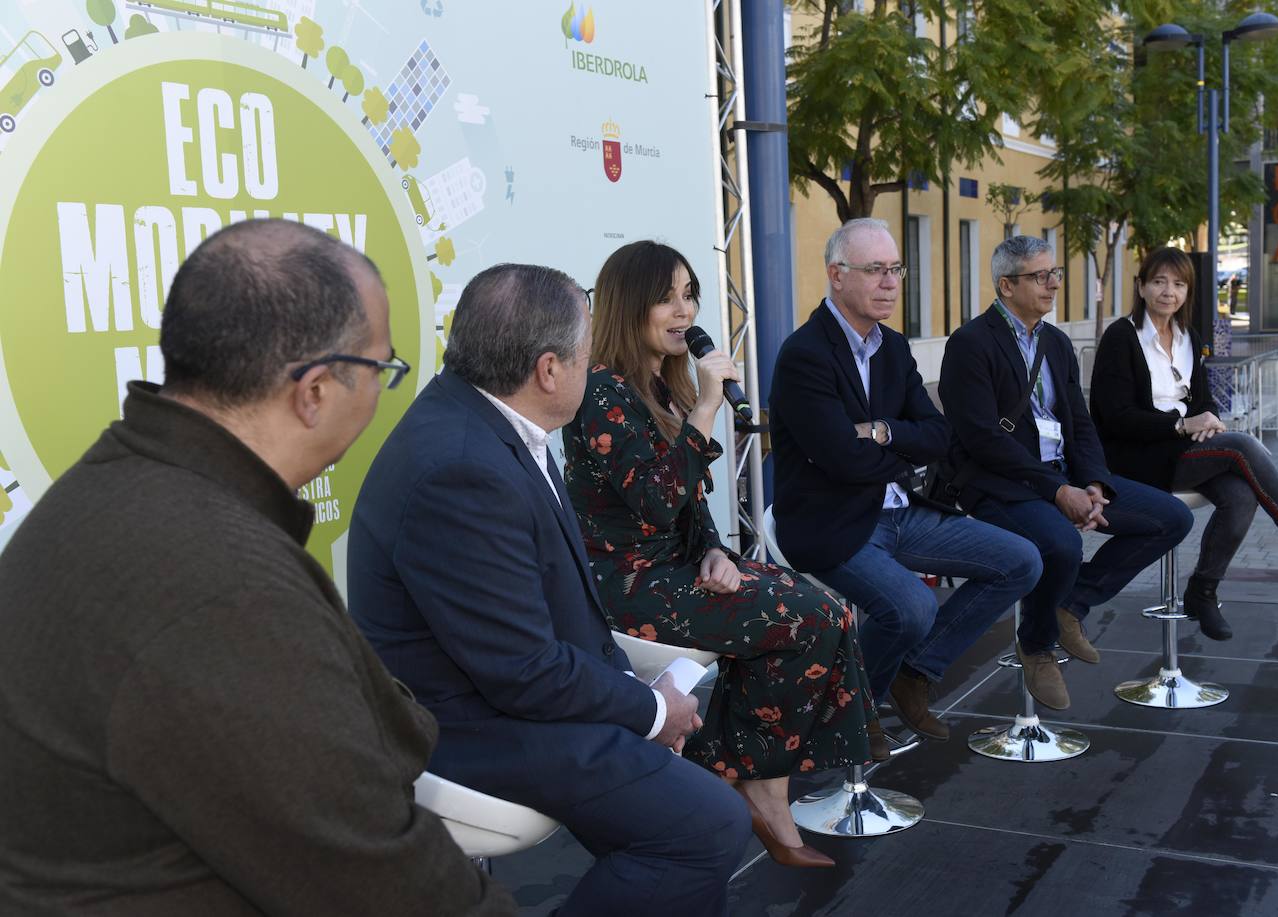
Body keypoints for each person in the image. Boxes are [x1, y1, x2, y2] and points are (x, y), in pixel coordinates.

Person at [0, 220, 514, 916]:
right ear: (316, 391)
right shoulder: (219, 585)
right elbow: (388, 884)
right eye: (382, 370)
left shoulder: (125, 483)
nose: (379, 397)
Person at [348, 262, 750, 916]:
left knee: (693, 806)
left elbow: (550, 620)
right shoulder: (460, 466)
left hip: (508, 698)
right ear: (548, 370)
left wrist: (640, 697)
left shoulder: (490, 423)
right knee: (707, 827)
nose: (592, 370)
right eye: (588, 356)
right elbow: (523, 670)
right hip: (467, 725)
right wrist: (650, 712)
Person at [562, 239, 873, 870]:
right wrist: (706, 405)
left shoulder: (658, 383)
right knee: (802, 619)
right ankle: (751, 783)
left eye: (690, 294)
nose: (685, 311)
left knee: (831, 609)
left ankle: (745, 776)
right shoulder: (599, 390)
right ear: (630, 306)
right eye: (666, 297)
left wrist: (713, 550)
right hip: (623, 582)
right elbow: (653, 500)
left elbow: (690, 501)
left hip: (675, 566)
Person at [769, 218, 1042, 741]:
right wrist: (902, 450)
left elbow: (941, 434)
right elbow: (841, 461)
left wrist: (880, 432)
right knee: (912, 607)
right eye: (875, 270)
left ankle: (915, 671)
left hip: (903, 511)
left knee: (1021, 561)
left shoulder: (893, 346)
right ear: (836, 275)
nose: (891, 282)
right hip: (834, 522)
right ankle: (849, 721)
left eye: (895, 268)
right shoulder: (805, 354)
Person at [940, 235, 1194, 710]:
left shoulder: (1055, 342)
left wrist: (1095, 483)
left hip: (1060, 476)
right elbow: (982, 441)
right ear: (1006, 285)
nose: (1053, 284)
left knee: (1172, 519)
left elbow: (1079, 422)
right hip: (997, 484)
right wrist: (1060, 492)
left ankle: (1069, 604)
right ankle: (1037, 646)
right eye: (1041, 276)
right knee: (1061, 543)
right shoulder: (970, 343)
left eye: (1055, 273)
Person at [1090, 246, 1278, 638]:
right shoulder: (1122, 337)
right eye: (1158, 281)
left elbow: (1203, 403)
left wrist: (1207, 423)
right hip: (1136, 457)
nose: (1168, 291)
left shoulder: (1188, 336)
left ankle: (1203, 589)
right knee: (1240, 446)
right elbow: (1115, 417)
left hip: (1180, 451)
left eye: (1178, 283)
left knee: (1241, 494)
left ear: (1187, 292)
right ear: (1140, 287)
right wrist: (1183, 426)